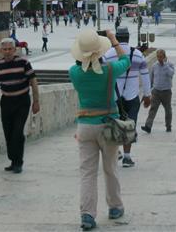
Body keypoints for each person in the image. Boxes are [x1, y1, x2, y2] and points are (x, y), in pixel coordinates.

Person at [68, 29, 130, 230]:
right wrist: (113, 40)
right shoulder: (110, 70)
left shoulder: (74, 72)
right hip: (108, 125)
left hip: (85, 126)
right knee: (110, 168)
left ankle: (87, 214)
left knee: (87, 172)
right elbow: (126, 60)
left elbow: (83, 67)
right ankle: (115, 207)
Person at [0, 39, 40, 174]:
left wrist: (36, 101)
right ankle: (13, 160)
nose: (7, 52)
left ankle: (18, 162)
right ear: (1, 50)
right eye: (5, 49)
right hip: (6, 101)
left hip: (22, 101)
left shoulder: (24, 63)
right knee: (8, 132)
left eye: (10, 49)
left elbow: (33, 82)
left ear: (15, 49)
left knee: (17, 132)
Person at [103, 27, 150, 168]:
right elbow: (145, 76)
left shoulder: (108, 54)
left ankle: (116, 151)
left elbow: (102, 74)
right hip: (132, 96)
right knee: (129, 126)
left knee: (114, 124)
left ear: (116, 38)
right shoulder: (138, 54)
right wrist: (147, 95)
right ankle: (127, 157)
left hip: (114, 97)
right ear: (128, 38)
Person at [141, 49, 175, 133]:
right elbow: (151, 79)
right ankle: (148, 126)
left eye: (161, 57)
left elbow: (171, 74)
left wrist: (165, 65)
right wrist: (148, 91)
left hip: (166, 91)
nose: (159, 59)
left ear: (164, 57)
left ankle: (168, 126)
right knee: (153, 109)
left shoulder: (170, 65)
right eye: (158, 57)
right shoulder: (154, 66)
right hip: (156, 91)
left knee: (168, 110)